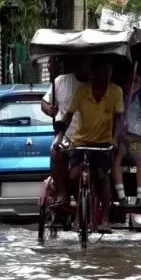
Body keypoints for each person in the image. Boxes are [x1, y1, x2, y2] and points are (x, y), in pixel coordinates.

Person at [54, 57, 124, 233]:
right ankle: (79, 212)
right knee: (75, 175)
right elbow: (68, 116)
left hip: (103, 143)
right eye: (104, 71)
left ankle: (106, 218)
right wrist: (60, 136)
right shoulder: (82, 91)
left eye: (109, 72)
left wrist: (114, 139)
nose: (107, 75)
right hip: (81, 141)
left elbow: (120, 119)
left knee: (102, 176)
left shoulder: (116, 91)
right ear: (96, 73)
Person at [41, 56, 91, 205]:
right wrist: (49, 109)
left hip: (92, 136)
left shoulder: (96, 85)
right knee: (55, 153)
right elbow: (45, 103)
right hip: (67, 136)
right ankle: (62, 193)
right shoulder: (61, 81)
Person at [112, 71, 141, 209]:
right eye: (129, 81)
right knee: (115, 159)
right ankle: (122, 197)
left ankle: (140, 198)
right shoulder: (118, 97)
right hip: (120, 136)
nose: (132, 84)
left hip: (136, 137)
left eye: (135, 81)